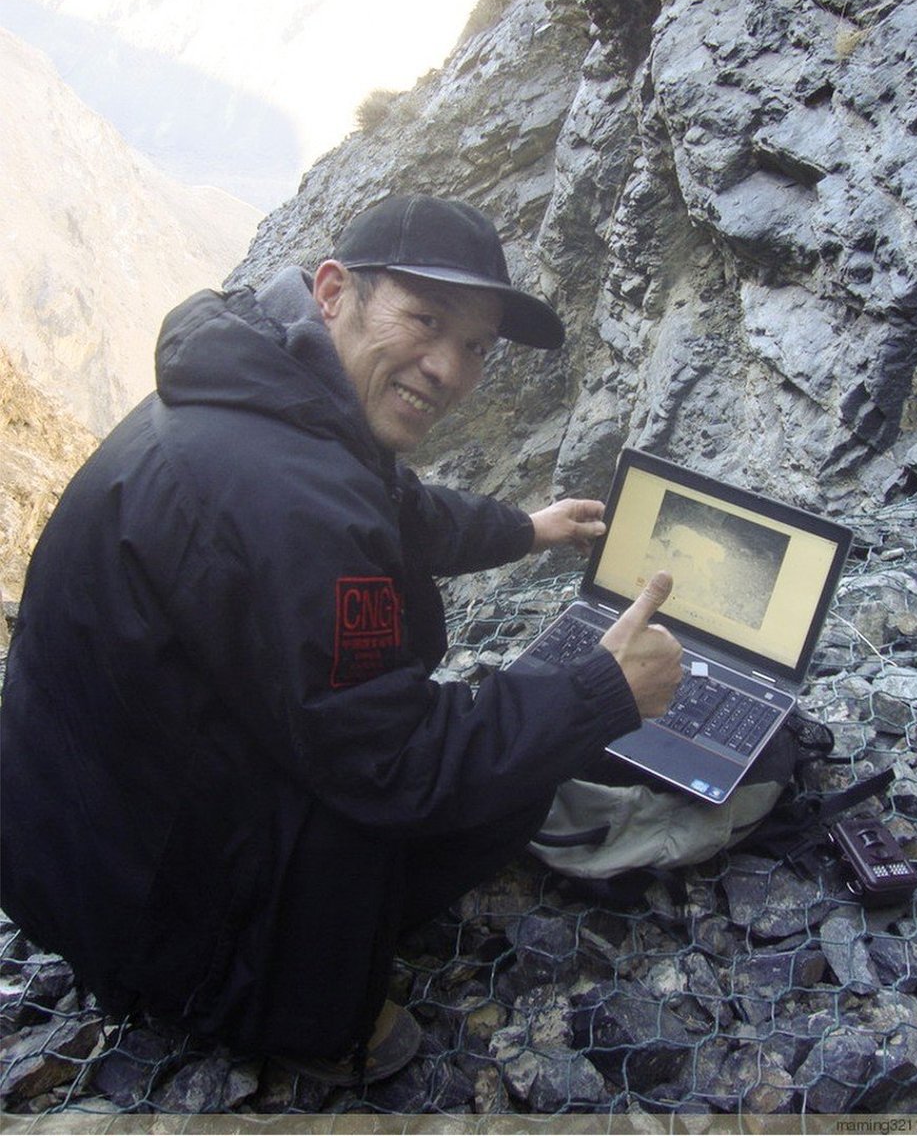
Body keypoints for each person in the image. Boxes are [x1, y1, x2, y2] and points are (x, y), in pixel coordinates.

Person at [0, 194, 682, 1085]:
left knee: (503, 726)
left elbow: (392, 505)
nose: (446, 367)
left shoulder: (260, 386)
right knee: (513, 780)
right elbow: (395, 761)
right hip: (150, 918)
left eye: (475, 346)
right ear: (333, 291)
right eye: (425, 319)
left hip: (79, 847)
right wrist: (600, 693)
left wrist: (524, 528)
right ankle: (275, 1007)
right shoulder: (290, 499)